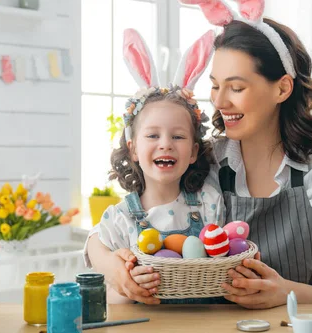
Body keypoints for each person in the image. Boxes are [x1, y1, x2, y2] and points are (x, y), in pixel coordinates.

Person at [112, 0, 312, 309]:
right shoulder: (203, 162)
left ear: (282, 89)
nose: (220, 101)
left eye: (235, 88)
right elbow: (120, 223)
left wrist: (285, 292)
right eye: (215, 86)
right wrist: (116, 271)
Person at [83, 29, 226, 304]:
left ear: (194, 152)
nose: (165, 144)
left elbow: (222, 262)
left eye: (178, 136)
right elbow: (107, 293)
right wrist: (126, 286)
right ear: (133, 149)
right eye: (152, 135)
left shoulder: (210, 203)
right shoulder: (119, 218)